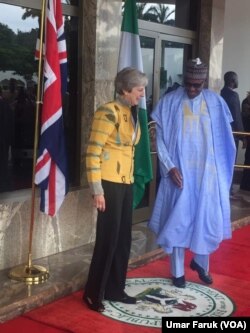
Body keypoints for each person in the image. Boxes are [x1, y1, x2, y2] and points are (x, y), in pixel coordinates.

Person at [148, 58, 236, 289]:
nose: (192, 89)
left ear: (204, 81)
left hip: (206, 176)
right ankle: (177, 272)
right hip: (180, 175)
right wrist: (169, 167)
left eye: (197, 85)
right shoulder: (169, 102)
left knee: (205, 220)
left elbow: (226, 142)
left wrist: (220, 174)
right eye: (188, 83)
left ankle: (200, 264)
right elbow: (161, 140)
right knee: (178, 221)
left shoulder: (216, 103)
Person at [83, 67, 148, 312]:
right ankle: (93, 293)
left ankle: (114, 289)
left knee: (122, 240)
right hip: (109, 185)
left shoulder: (131, 113)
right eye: (139, 90)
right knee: (107, 240)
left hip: (126, 182)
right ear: (125, 90)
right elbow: (93, 152)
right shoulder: (107, 112)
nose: (142, 95)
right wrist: (97, 190)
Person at [220, 71, 245, 152]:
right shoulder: (233, 95)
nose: (238, 82)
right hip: (232, 133)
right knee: (231, 160)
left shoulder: (221, 93)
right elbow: (237, 117)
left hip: (221, 132)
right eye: (237, 79)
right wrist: (242, 136)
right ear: (233, 81)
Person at [240, 91, 250, 190]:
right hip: (248, 134)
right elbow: (245, 116)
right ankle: (245, 185)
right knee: (248, 159)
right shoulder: (246, 102)